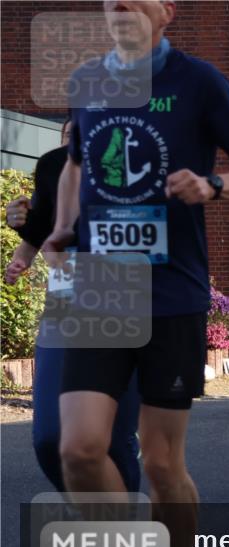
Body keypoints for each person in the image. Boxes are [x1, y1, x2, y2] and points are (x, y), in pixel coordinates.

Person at [41, 0, 229, 547]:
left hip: (171, 293)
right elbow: (77, 164)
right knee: (78, 449)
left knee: (162, 461)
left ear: (167, 10)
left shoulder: (198, 81)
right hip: (101, 290)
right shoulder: (88, 81)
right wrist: (61, 227)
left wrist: (213, 185)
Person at [5, 120, 142, 495]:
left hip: (127, 303)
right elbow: (38, 230)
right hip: (65, 304)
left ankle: (118, 516)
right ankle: (89, 503)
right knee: (49, 438)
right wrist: (20, 242)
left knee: (115, 439)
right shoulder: (52, 165)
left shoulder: (139, 158)